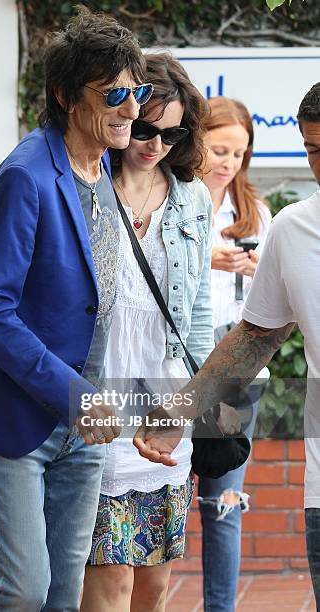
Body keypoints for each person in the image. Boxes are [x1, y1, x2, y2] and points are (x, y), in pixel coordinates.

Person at [0, 10, 152, 612]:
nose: (131, 109)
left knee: (66, 592)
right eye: (114, 93)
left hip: (85, 417)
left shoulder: (103, 170)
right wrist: (75, 396)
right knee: (25, 591)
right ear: (65, 95)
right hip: (22, 416)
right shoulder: (26, 175)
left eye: (135, 92)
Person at [133, 82, 320, 607]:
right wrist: (178, 415)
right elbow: (256, 336)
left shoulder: (257, 216)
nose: (318, 163)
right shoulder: (294, 228)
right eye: (311, 148)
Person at [81, 52, 214, 612]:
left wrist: (201, 409)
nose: (155, 143)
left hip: (167, 400)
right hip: (99, 392)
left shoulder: (193, 198)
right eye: (144, 127)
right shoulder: (84, 188)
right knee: (109, 578)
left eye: (172, 132)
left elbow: (200, 316)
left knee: (154, 583)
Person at [199, 96, 271, 612]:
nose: (228, 163)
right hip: (179, 364)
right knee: (155, 493)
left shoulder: (255, 211)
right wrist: (209, 262)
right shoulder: (169, 199)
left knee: (222, 503)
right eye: (219, 149)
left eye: (239, 154)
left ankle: (220, 608)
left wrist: (256, 270)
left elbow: (274, 305)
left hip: (240, 367)